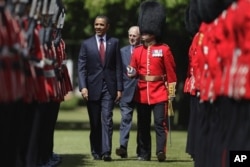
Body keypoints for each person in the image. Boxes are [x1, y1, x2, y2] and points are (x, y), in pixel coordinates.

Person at [127, 0, 177, 162]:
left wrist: (170, 93)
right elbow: (133, 70)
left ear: (154, 31)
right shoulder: (138, 50)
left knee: (159, 124)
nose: (144, 34)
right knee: (142, 125)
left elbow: (171, 73)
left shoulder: (164, 49)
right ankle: (144, 153)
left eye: (147, 31)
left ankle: (160, 151)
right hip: (142, 93)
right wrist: (131, 72)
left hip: (159, 93)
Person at [78, 15, 123, 162]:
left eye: (101, 25)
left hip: (109, 88)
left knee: (107, 119)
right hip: (92, 89)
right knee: (95, 122)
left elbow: (118, 67)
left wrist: (119, 88)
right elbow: (81, 68)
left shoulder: (114, 42)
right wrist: (83, 87)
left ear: (107, 26)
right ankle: (96, 150)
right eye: (96, 24)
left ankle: (106, 152)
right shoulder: (86, 44)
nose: (98, 27)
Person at [115, 26, 140, 158]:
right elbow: (118, 72)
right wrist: (118, 89)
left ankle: (141, 151)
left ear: (140, 37)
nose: (131, 38)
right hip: (126, 91)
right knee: (125, 119)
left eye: (134, 36)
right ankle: (123, 147)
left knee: (142, 122)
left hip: (142, 91)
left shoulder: (145, 51)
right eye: (130, 35)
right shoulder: (122, 52)